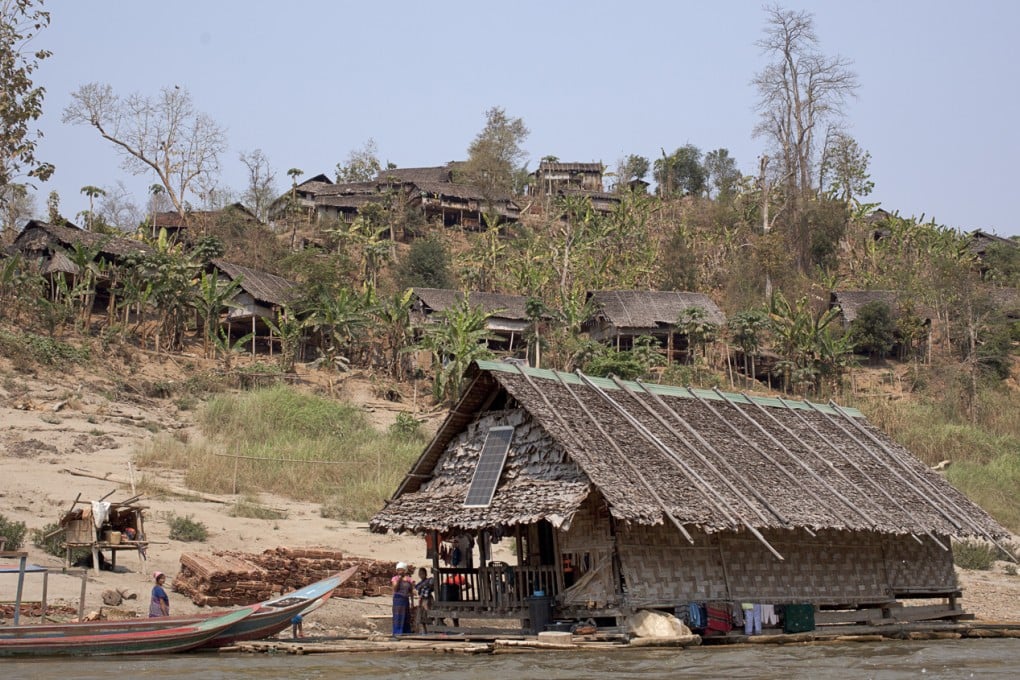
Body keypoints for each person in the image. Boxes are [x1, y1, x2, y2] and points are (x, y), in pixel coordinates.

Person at [391, 562, 415, 636]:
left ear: (405, 571)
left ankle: (406, 632)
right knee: (397, 617)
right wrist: (399, 580)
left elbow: (411, 591)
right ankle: (397, 632)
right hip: (398, 599)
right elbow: (395, 589)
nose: (400, 572)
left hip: (405, 600)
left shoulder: (409, 580)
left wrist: (412, 602)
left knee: (406, 616)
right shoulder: (395, 578)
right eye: (398, 570)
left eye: (401, 570)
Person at [414, 567, 434, 633]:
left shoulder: (429, 580)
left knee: (428, 614)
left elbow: (431, 586)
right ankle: (425, 631)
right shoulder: (419, 584)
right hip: (422, 600)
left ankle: (432, 630)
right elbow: (417, 589)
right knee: (421, 615)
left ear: (425, 574)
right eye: (420, 574)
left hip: (428, 599)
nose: (421, 575)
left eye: (422, 573)